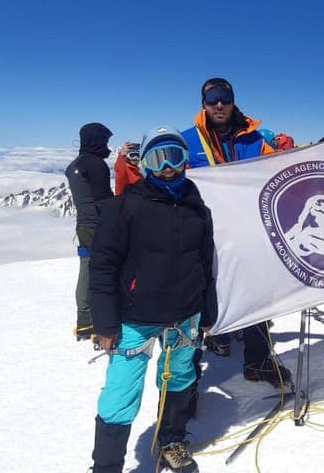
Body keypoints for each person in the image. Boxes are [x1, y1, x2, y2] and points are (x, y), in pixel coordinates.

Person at [88, 125, 217, 473]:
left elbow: (207, 263)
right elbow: (102, 266)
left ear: (185, 160)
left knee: (179, 378)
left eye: (174, 156)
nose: (166, 168)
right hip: (135, 317)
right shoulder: (124, 208)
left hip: (186, 315)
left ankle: (171, 440)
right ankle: (107, 466)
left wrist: (208, 309)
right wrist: (104, 322)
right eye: (157, 159)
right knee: (119, 395)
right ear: (144, 163)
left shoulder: (197, 208)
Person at [181, 77, 292, 388]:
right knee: (200, 301)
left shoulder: (254, 140)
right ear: (203, 103)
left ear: (233, 101)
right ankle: (187, 382)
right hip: (204, 235)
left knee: (255, 296)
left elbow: (280, 173)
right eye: (213, 98)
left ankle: (257, 361)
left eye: (225, 97)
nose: (219, 104)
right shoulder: (188, 141)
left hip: (249, 233)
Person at [65, 122, 114, 341]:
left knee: (86, 269)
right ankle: (102, 320)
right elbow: (103, 200)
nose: (107, 146)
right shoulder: (96, 165)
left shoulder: (75, 165)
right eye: (104, 141)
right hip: (99, 226)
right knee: (105, 272)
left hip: (83, 226)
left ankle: (84, 321)